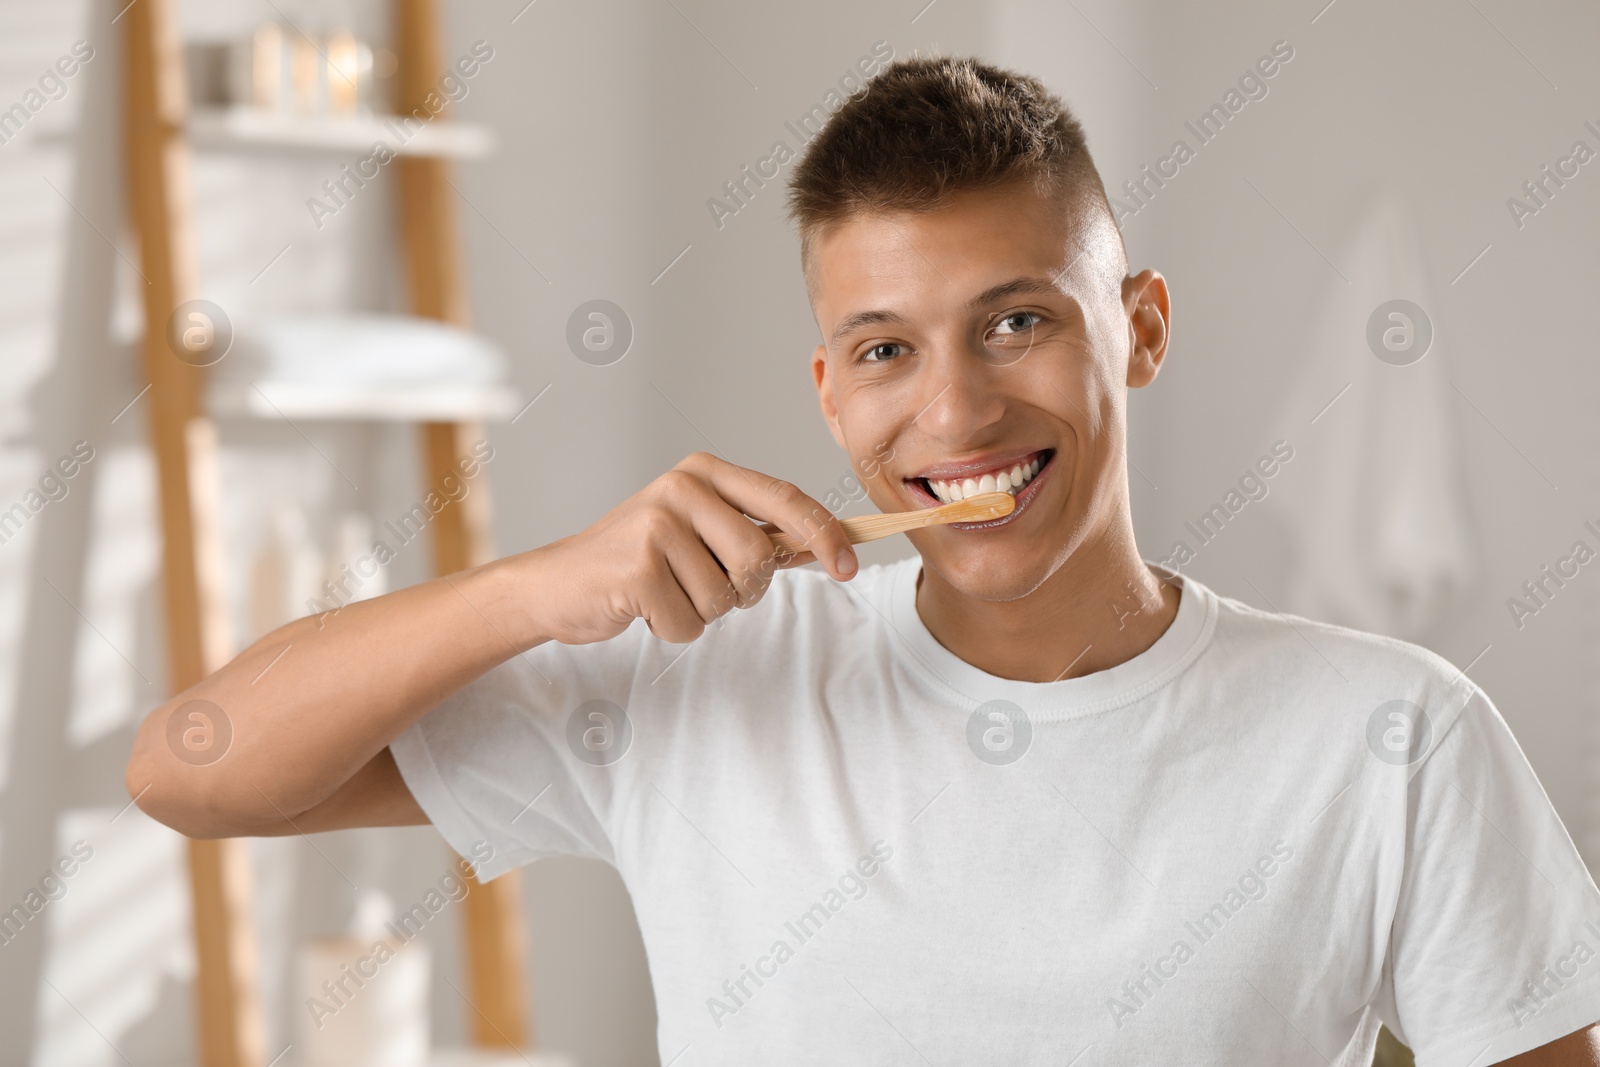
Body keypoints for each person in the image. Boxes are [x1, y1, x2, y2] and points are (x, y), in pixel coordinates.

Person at [127, 55, 1600, 1065]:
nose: (955, 412)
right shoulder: (696, 682)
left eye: (1017, 321)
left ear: (1140, 328)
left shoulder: (1392, 736)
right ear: (830, 391)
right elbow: (190, 770)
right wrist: (532, 589)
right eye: (886, 349)